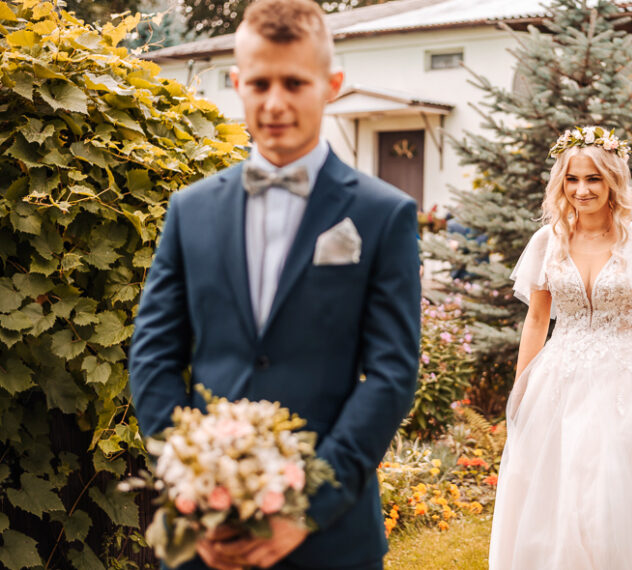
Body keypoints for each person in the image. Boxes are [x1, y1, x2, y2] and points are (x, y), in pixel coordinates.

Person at [128, 1, 421, 568]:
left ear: (331, 85)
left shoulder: (384, 214)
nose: (275, 102)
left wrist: (305, 508)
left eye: (295, 83)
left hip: (331, 538)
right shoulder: (191, 210)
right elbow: (153, 355)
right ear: (238, 84)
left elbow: (392, 373)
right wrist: (190, 482)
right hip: (204, 534)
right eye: (260, 84)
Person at [489, 127, 632, 569]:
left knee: (609, 491)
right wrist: (520, 389)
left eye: (593, 178)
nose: (582, 190)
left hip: (621, 381)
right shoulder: (548, 241)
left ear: (613, 179)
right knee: (554, 490)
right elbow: (537, 319)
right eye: (572, 179)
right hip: (557, 380)